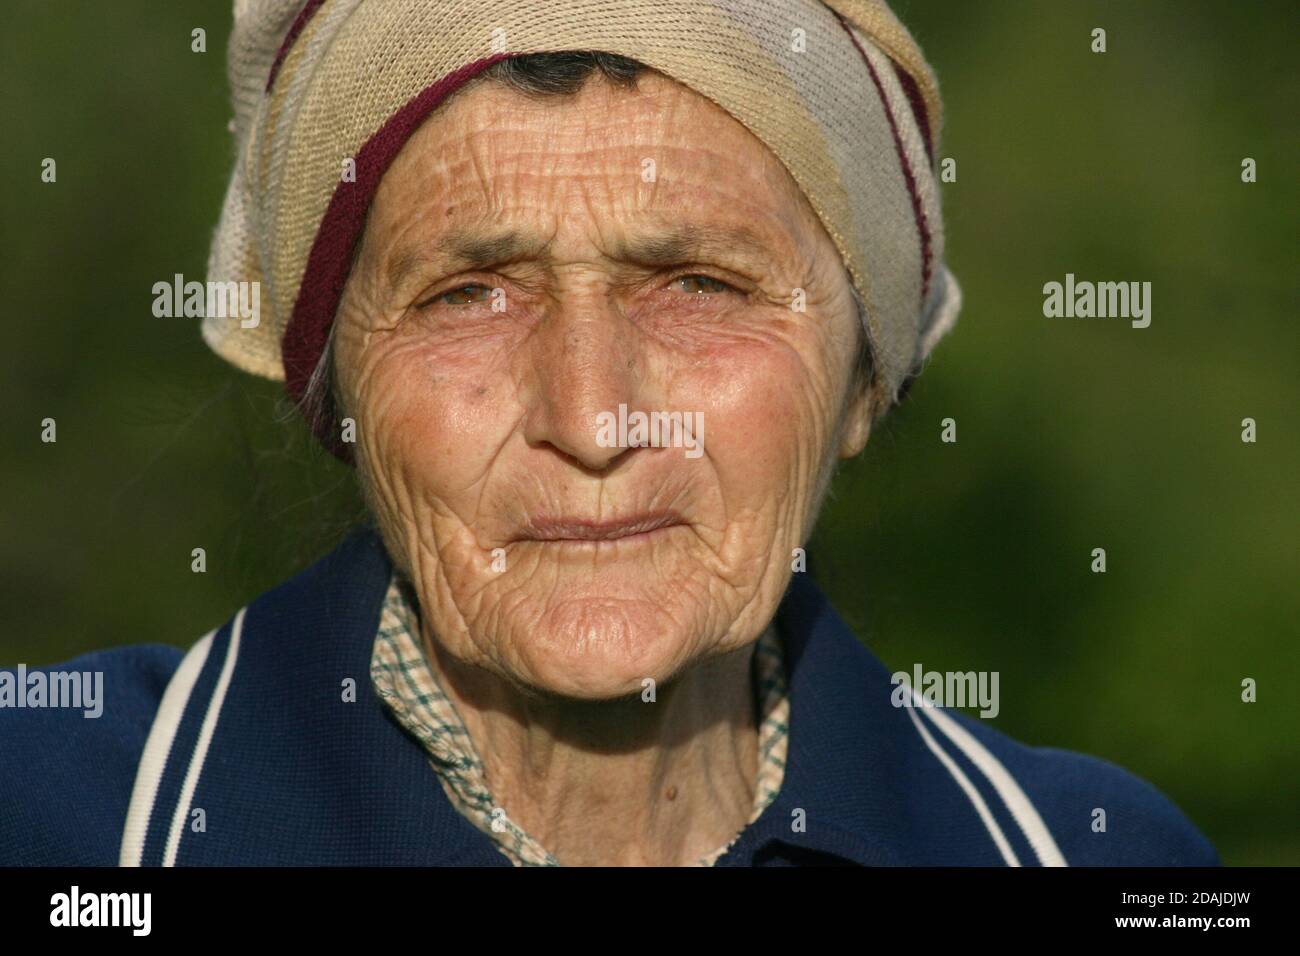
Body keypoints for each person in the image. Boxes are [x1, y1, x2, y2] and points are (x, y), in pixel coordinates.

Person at [1, 0, 1216, 867]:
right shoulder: (56, 809)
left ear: (862, 383)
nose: (591, 417)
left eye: (699, 284)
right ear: (337, 393)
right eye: (468, 295)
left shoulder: (1086, 851)